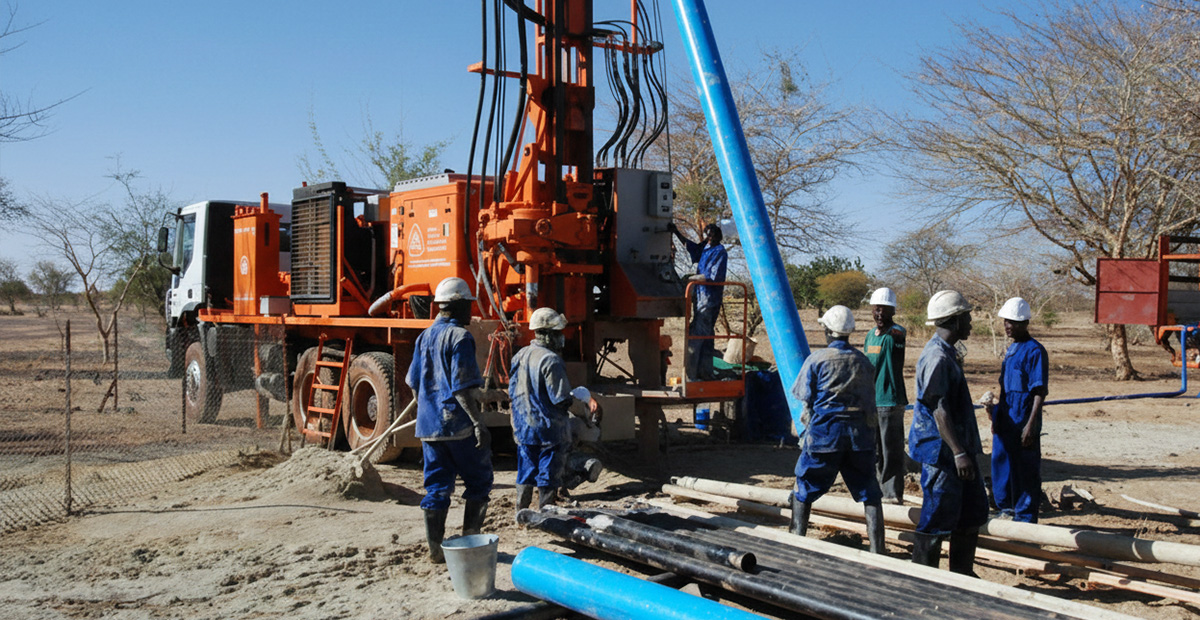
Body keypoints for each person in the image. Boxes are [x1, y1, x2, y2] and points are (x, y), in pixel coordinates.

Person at [406, 276, 492, 564]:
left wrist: (426, 410)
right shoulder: (460, 337)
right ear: (456, 306)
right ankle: (469, 543)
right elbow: (462, 387)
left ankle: (435, 551)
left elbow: (414, 383)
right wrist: (478, 423)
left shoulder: (424, 336)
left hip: (429, 427)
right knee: (479, 482)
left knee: (437, 488)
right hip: (457, 426)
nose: (471, 311)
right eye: (468, 305)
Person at [790, 306, 886, 554]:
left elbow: (804, 397)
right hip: (859, 438)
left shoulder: (817, 360)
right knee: (869, 491)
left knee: (805, 486)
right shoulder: (863, 362)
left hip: (825, 435)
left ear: (826, 331)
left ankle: (796, 542)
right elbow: (869, 402)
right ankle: (878, 551)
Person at [909, 290, 987, 576]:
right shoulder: (937, 358)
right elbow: (938, 409)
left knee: (971, 513)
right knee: (937, 515)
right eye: (966, 316)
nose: (970, 322)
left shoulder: (948, 353)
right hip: (943, 453)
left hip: (958, 450)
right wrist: (959, 453)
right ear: (954, 321)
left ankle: (962, 573)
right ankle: (924, 578)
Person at [509, 307, 601, 512]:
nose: (562, 337)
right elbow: (560, 399)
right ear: (548, 334)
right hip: (548, 429)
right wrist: (580, 403)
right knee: (548, 473)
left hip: (524, 426)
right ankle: (545, 514)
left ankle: (520, 512)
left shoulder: (520, 355)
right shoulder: (551, 360)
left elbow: (512, 391)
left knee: (525, 471)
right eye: (558, 333)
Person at [986, 297, 1048, 523]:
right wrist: (995, 415)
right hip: (1006, 420)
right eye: (1005, 322)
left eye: (1013, 322)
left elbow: (1039, 392)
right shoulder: (1011, 350)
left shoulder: (1035, 351)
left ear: (1025, 323)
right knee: (1002, 467)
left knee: (1025, 470)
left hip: (1023, 421)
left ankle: (1025, 518)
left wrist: (1031, 426)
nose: (1008, 326)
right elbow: (1006, 389)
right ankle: (1006, 509)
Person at [863, 287, 908, 505]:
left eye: (884, 309)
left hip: (891, 400)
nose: (879, 313)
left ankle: (892, 494)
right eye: (876, 309)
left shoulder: (897, 333)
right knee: (875, 450)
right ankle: (878, 491)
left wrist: (888, 330)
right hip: (873, 400)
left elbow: (896, 340)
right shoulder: (870, 335)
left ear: (892, 311)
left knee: (891, 449)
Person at [669, 221, 728, 381]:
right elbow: (692, 247)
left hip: (709, 298)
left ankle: (692, 375)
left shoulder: (719, 251)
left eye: (711, 236)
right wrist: (675, 232)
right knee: (707, 334)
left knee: (698, 333)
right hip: (700, 296)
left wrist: (692, 278)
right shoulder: (706, 247)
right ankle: (705, 372)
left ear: (716, 237)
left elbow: (714, 276)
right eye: (707, 236)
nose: (709, 239)